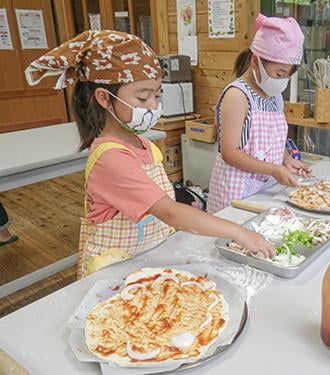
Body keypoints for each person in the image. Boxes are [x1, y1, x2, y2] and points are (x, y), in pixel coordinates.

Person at [25, 30, 274, 278]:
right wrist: (239, 232)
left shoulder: (142, 144)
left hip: (146, 258)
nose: (153, 106)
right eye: (143, 97)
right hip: (113, 271)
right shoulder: (110, 158)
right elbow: (169, 212)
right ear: (104, 98)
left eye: (157, 95)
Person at [207, 14, 312, 214]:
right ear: (255, 62)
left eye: (288, 76)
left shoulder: (274, 96)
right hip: (235, 193)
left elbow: (269, 142)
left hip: (265, 189)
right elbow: (230, 153)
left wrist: (286, 160)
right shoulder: (237, 96)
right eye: (279, 74)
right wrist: (274, 169)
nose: (283, 81)